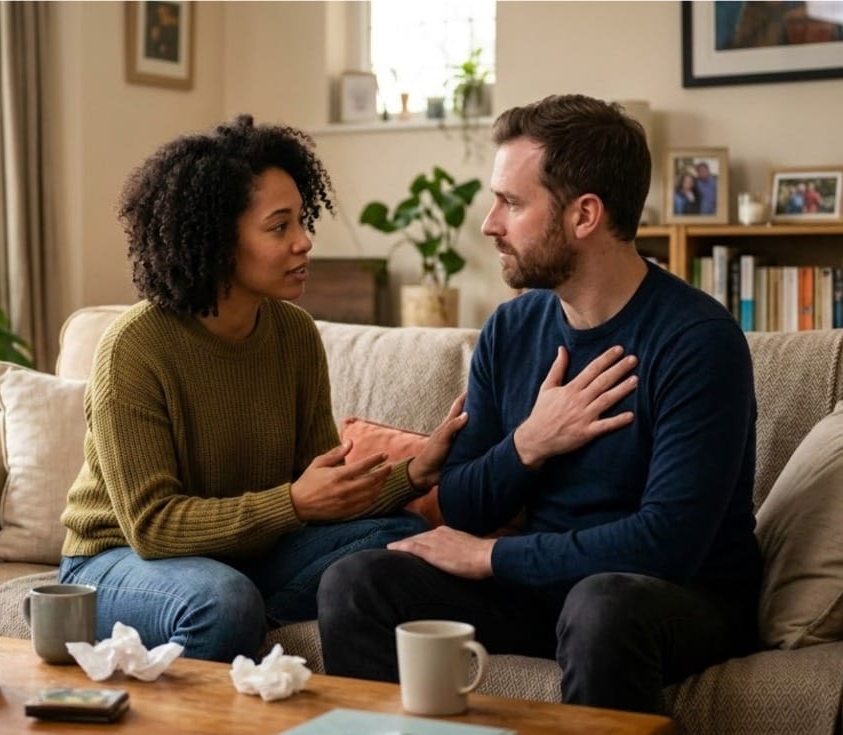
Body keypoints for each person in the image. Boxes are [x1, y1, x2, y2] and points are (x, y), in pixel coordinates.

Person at [317, 94, 761, 715]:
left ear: (584, 216)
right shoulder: (512, 329)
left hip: (676, 597)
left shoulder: (697, 341)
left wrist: (491, 556)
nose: (489, 223)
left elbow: (669, 543)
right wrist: (529, 444)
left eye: (512, 202)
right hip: (544, 587)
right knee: (358, 583)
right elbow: (464, 501)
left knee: (601, 607)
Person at [58, 114, 468, 663]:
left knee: (395, 538)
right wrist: (294, 503)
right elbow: (152, 527)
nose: (304, 242)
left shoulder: (294, 335)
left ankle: (249, 614)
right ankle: (235, 621)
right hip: (116, 558)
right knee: (221, 601)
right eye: (279, 227)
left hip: (241, 554)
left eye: (302, 220)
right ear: (219, 240)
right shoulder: (134, 348)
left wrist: (415, 474)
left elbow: (320, 489)